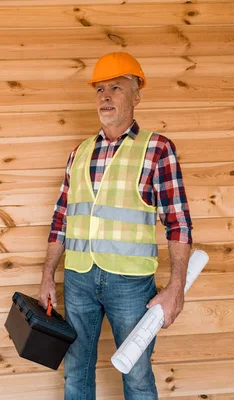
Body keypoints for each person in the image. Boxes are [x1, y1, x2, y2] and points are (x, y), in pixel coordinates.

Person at [37, 52, 193, 400]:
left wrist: (176, 287)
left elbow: (178, 222)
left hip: (132, 286)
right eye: (100, 89)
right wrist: (48, 274)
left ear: (136, 95)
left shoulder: (157, 150)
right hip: (78, 280)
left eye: (117, 88)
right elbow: (61, 218)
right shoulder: (79, 153)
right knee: (76, 371)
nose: (106, 96)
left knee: (136, 376)